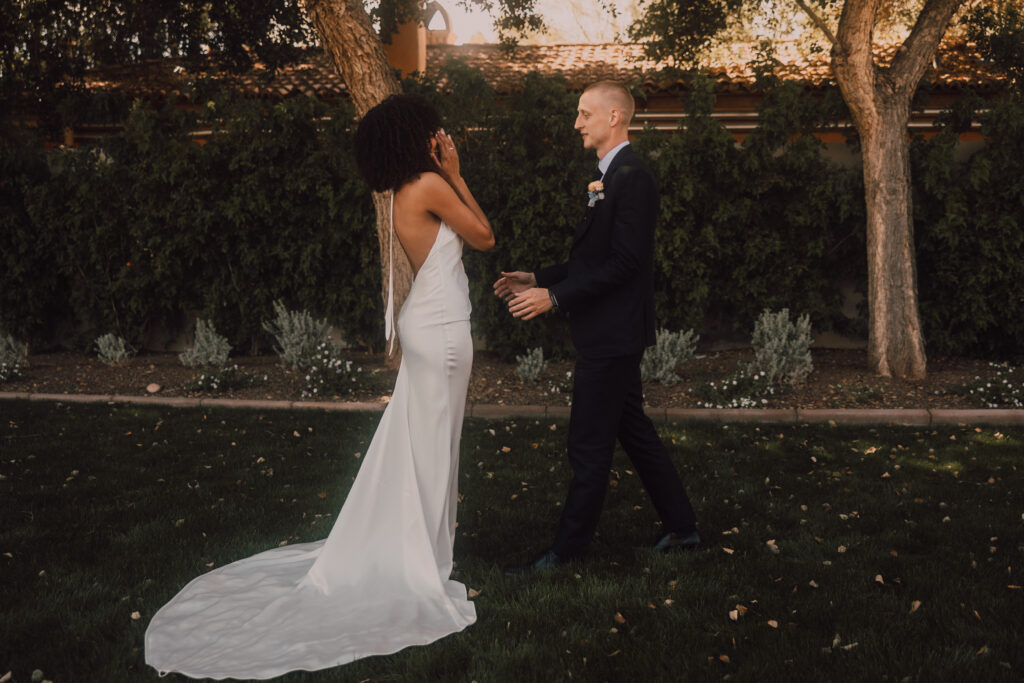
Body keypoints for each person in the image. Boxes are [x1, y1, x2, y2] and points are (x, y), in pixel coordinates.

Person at [145, 93, 494, 678]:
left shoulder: (403, 191)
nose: (441, 136)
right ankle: (421, 565)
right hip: (440, 332)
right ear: (415, 137)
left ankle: (423, 555)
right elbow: (483, 236)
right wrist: (458, 175)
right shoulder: (430, 185)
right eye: (432, 131)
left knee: (424, 451)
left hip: (432, 328)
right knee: (432, 454)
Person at [494, 81, 699, 571]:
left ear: (614, 117)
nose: (576, 123)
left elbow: (628, 263)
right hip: (612, 333)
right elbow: (595, 259)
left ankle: (566, 552)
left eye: (585, 114)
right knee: (635, 431)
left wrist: (555, 297)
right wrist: (537, 277)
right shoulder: (610, 177)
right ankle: (683, 527)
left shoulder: (633, 177)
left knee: (587, 444)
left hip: (612, 336)